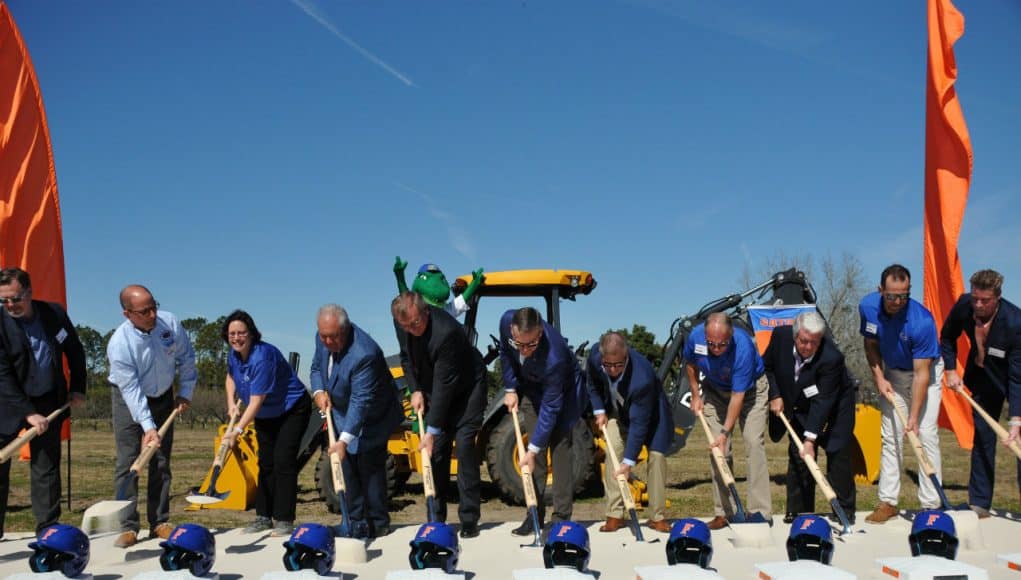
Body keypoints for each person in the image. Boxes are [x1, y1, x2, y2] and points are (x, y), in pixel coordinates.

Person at [107, 285, 196, 548]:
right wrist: (147, 426)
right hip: (127, 399)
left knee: (160, 460)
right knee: (129, 461)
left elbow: (187, 358)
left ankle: (159, 521)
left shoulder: (170, 323)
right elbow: (131, 391)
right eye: (145, 311)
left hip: (163, 396)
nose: (153, 314)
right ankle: (127, 526)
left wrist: (185, 391)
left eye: (154, 305)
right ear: (127, 314)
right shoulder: (120, 344)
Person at [0, 268, 86, 539]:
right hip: (7, 402)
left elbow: (75, 350)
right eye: (4, 301)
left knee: (46, 466)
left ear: (29, 292)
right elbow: (1, 375)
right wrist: (28, 413)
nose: (10, 305)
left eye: (15, 298)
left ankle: (48, 529)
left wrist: (77, 388)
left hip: (49, 398)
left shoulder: (53, 314)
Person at [392, 292, 487, 539]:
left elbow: (445, 384)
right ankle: (436, 518)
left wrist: (432, 430)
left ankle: (469, 519)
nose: (412, 330)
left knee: (464, 447)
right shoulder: (403, 322)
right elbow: (405, 356)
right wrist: (415, 390)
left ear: (426, 312)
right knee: (436, 455)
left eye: (416, 324)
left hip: (467, 391)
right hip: (435, 388)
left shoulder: (447, 332)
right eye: (406, 326)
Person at [860, 264, 944, 523]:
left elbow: (921, 375)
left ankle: (931, 506)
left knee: (925, 434)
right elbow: (870, 343)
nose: (897, 301)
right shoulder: (868, 307)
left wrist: (914, 417)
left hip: (926, 374)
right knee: (891, 436)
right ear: (880, 290)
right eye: (891, 295)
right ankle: (888, 502)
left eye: (903, 295)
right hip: (893, 372)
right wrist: (879, 377)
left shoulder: (922, 322)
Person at [310, 304, 403, 539]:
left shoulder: (364, 353)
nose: (327, 342)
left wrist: (343, 441)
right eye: (324, 336)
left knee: (370, 467)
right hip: (342, 411)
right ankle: (354, 521)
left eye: (333, 337)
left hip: (374, 415)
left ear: (346, 329)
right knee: (348, 468)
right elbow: (315, 369)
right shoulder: (322, 337)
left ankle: (378, 523)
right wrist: (319, 391)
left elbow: (360, 402)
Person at [221, 310, 311, 536]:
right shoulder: (234, 354)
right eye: (232, 333)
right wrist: (231, 403)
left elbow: (256, 400)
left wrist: (238, 430)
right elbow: (231, 377)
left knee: (283, 461)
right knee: (266, 463)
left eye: (241, 333)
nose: (236, 338)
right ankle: (263, 516)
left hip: (292, 409)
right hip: (265, 414)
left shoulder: (263, 357)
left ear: (251, 334)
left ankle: (284, 519)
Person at [940, 269, 1021, 515]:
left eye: (984, 300)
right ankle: (979, 503)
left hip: (1012, 377)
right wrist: (951, 370)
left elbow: (1018, 377)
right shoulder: (964, 305)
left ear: (998, 297)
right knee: (983, 438)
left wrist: (1016, 419)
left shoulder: (1015, 323)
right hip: (983, 380)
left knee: (1019, 440)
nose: (978, 304)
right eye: (975, 297)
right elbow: (946, 337)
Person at [763, 311, 856, 523]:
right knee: (799, 456)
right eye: (803, 341)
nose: (807, 347)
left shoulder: (832, 358)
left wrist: (810, 439)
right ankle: (800, 513)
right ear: (795, 336)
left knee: (836, 452)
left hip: (836, 407)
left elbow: (822, 402)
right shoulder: (780, 336)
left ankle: (844, 512)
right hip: (798, 404)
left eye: (813, 343)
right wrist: (775, 395)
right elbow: (766, 367)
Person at [499, 307, 583, 536]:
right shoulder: (506, 321)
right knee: (533, 457)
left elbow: (551, 407)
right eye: (520, 344)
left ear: (540, 333)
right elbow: (505, 353)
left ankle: (560, 518)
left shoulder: (555, 355)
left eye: (531, 345)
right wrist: (510, 388)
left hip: (563, 397)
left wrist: (534, 449)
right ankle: (534, 513)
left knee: (559, 450)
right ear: (512, 330)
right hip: (531, 389)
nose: (524, 351)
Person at [683, 312, 769, 530]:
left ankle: (759, 511)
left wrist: (725, 432)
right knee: (719, 451)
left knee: (753, 442)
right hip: (715, 391)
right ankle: (725, 512)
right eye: (711, 343)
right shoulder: (695, 337)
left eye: (722, 344)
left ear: (730, 335)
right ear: (705, 335)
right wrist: (695, 394)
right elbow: (690, 364)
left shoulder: (743, 348)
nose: (716, 349)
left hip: (750, 393)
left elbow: (737, 397)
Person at [586, 331, 673, 533]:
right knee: (612, 450)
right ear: (602, 357)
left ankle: (656, 517)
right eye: (609, 365)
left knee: (657, 458)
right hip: (619, 412)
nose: (614, 370)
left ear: (627, 355)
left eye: (619, 365)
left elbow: (639, 425)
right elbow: (592, 385)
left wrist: (629, 462)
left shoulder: (642, 377)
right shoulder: (594, 358)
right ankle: (614, 514)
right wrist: (599, 410)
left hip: (653, 418)